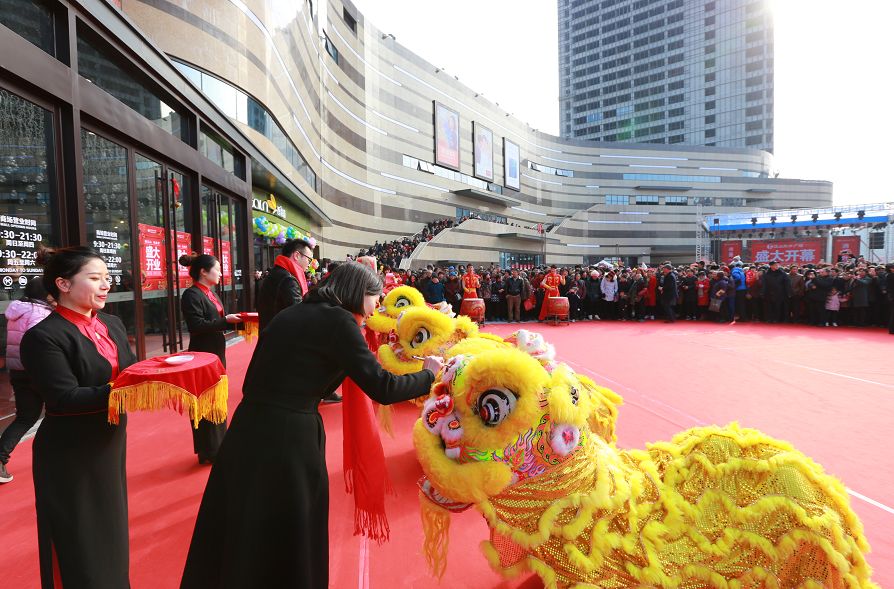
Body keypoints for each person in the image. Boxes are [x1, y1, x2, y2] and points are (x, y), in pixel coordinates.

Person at [180, 263, 442, 589]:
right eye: (376, 298)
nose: (377, 306)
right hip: (289, 438)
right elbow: (383, 388)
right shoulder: (339, 322)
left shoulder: (291, 314)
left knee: (242, 523)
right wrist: (429, 375)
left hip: (247, 427)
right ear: (358, 294)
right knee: (289, 529)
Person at [20, 246, 138, 588]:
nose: (106, 285)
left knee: (111, 531)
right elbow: (63, 397)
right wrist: (128, 389)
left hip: (109, 440)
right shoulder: (43, 337)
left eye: (107, 278)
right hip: (70, 451)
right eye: (95, 278)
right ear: (63, 284)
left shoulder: (112, 323)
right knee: (79, 541)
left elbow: (131, 371)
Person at [179, 253, 243, 465]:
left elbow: (216, 320)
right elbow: (196, 325)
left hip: (216, 351)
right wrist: (225, 321)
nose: (220, 273)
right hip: (202, 353)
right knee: (204, 399)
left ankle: (218, 445)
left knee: (217, 397)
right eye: (216, 269)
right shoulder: (192, 295)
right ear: (203, 272)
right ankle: (208, 449)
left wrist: (232, 322)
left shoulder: (210, 293)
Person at [0, 277, 55, 483]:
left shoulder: (18, 310)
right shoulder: (40, 314)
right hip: (36, 370)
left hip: (17, 370)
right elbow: (42, 346)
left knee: (25, 417)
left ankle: (0, 457)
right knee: (58, 411)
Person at [256, 237, 314, 332]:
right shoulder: (288, 279)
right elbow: (299, 314)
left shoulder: (276, 272)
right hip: (281, 337)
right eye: (309, 260)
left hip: (269, 334)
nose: (309, 264)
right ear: (296, 255)